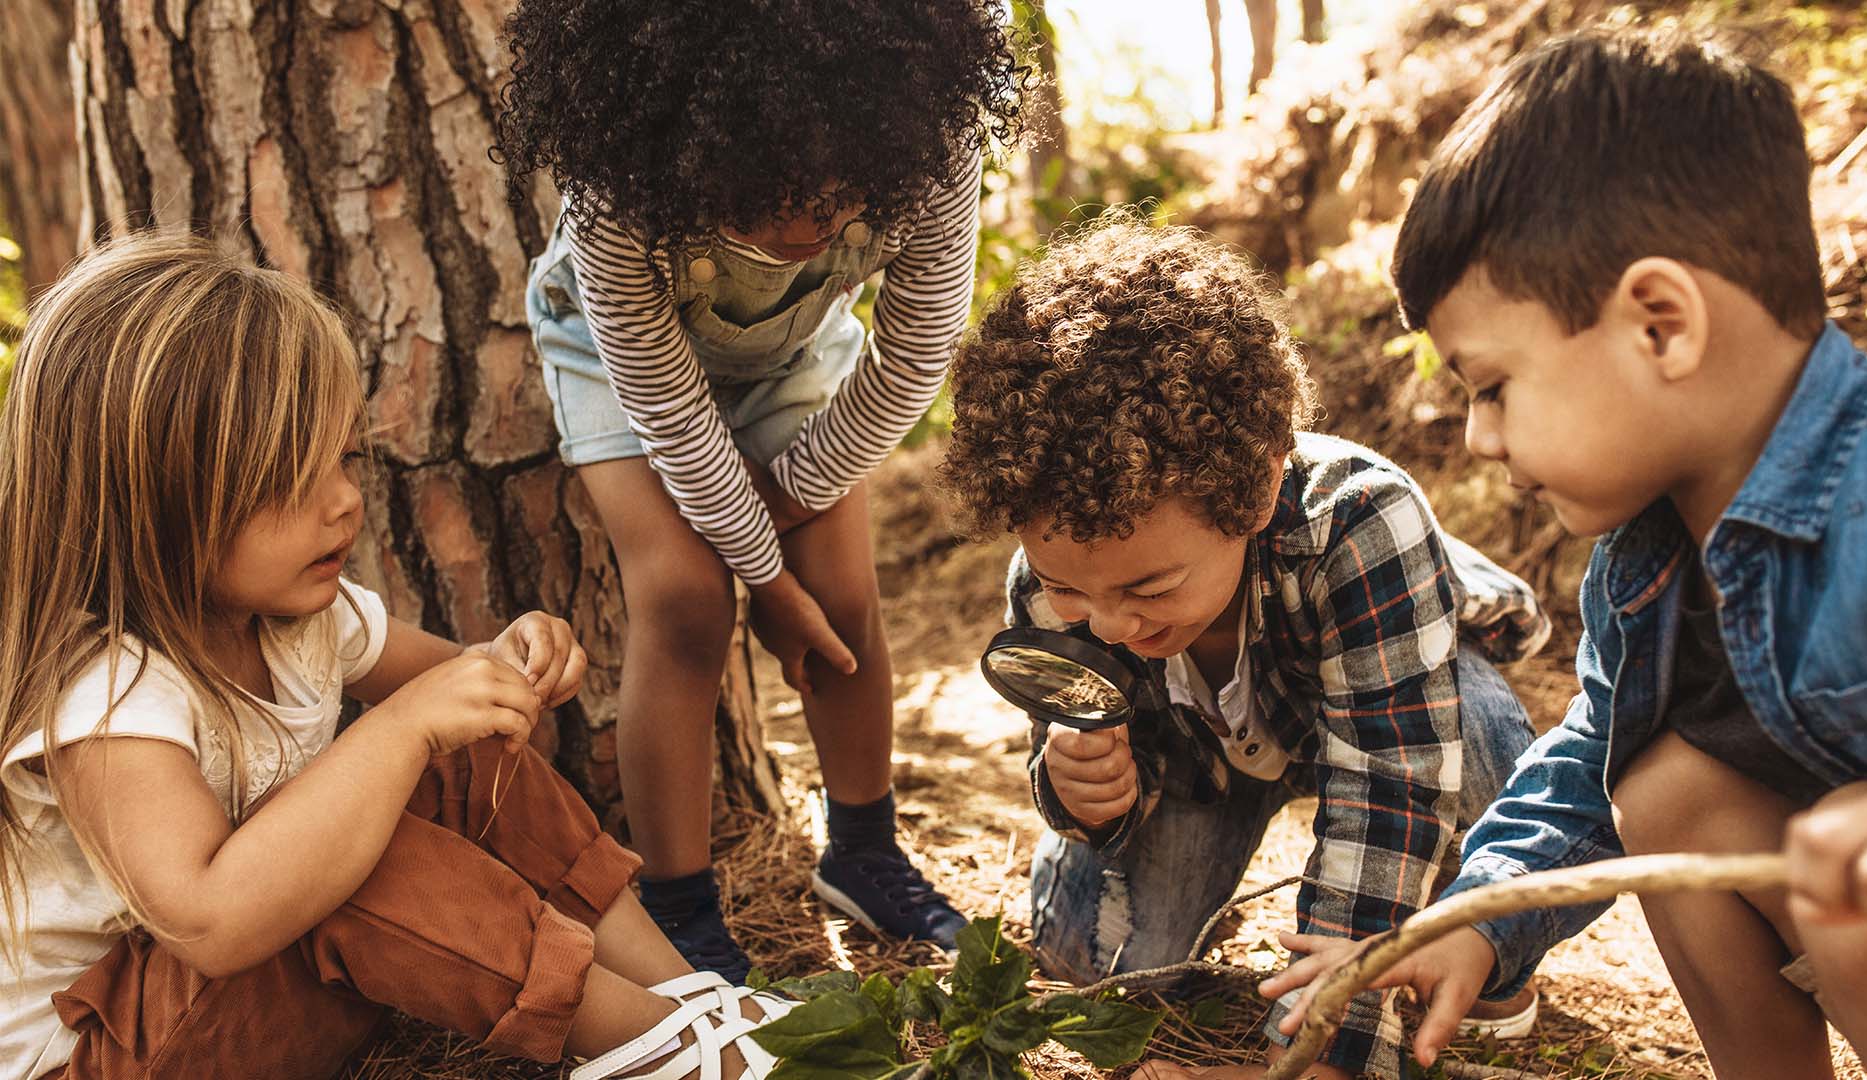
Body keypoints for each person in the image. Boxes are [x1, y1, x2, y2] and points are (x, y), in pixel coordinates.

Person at [1264, 29, 1867, 1080]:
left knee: (1852, 840)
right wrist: (1476, 922)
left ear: (1660, 326)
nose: (1480, 437)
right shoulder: (1645, 562)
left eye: (1492, 388)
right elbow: (1584, 767)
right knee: (1662, 792)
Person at [0, 234, 791, 1080]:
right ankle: (660, 1051)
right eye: (286, 478)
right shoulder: (109, 693)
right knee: (361, 857)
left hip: (250, 1007)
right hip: (110, 1053)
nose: (346, 502)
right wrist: (402, 729)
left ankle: (689, 999)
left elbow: (460, 689)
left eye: (344, 459)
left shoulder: (297, 620)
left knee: (466, 755)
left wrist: (508, 658)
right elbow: (210, 922)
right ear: (145, 498)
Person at [937, 216, 1554, 1080]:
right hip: (1202, 764)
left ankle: (1488, 970)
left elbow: (1389, 783)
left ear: (1259, 486)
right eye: (1076, 590)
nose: (1109, 625)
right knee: (1092, 962)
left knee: (1484, 744)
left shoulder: (1363, 521)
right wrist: (1086, 793)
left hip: (1382, 704)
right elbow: (1074, 738)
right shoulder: (1054, 578)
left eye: (1150, 590)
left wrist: (1325, 1053)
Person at [493, 0, 1029, 977]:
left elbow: (910, 363)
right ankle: (681, 906)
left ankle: (865, 854)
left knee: (844, 597)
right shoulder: (619, 187)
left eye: (838, 195)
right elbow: (668, 409)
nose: (808, 223)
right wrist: (762, 584)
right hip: (618, 360)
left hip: (793, 354)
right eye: (764, 194)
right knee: (687, 599)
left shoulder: (932, 143)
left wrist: (784, 517)